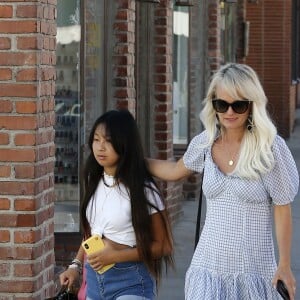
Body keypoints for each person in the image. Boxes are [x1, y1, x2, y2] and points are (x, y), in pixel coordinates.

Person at [148, 63, 299, 300]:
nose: (229, 112)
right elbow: (175, 170)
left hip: (254, 272)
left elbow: (282, 207)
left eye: (238, 105)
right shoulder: (205, 143)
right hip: (208, 270)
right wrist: (133, 161)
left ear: (252, 105)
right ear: (213, 105)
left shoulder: (269, 148)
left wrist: (285, 265)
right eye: (221, 104)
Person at [59, 109, 173, 300]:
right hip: (94, 283)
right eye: (96, 139)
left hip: (130, 282)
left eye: (108, 140)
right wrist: (75, 266)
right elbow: (92, 233)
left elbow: (164, 246)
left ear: (124, 143)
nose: (100, 147)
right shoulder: (94, 180)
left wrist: (115, 257)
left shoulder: (143, 189)